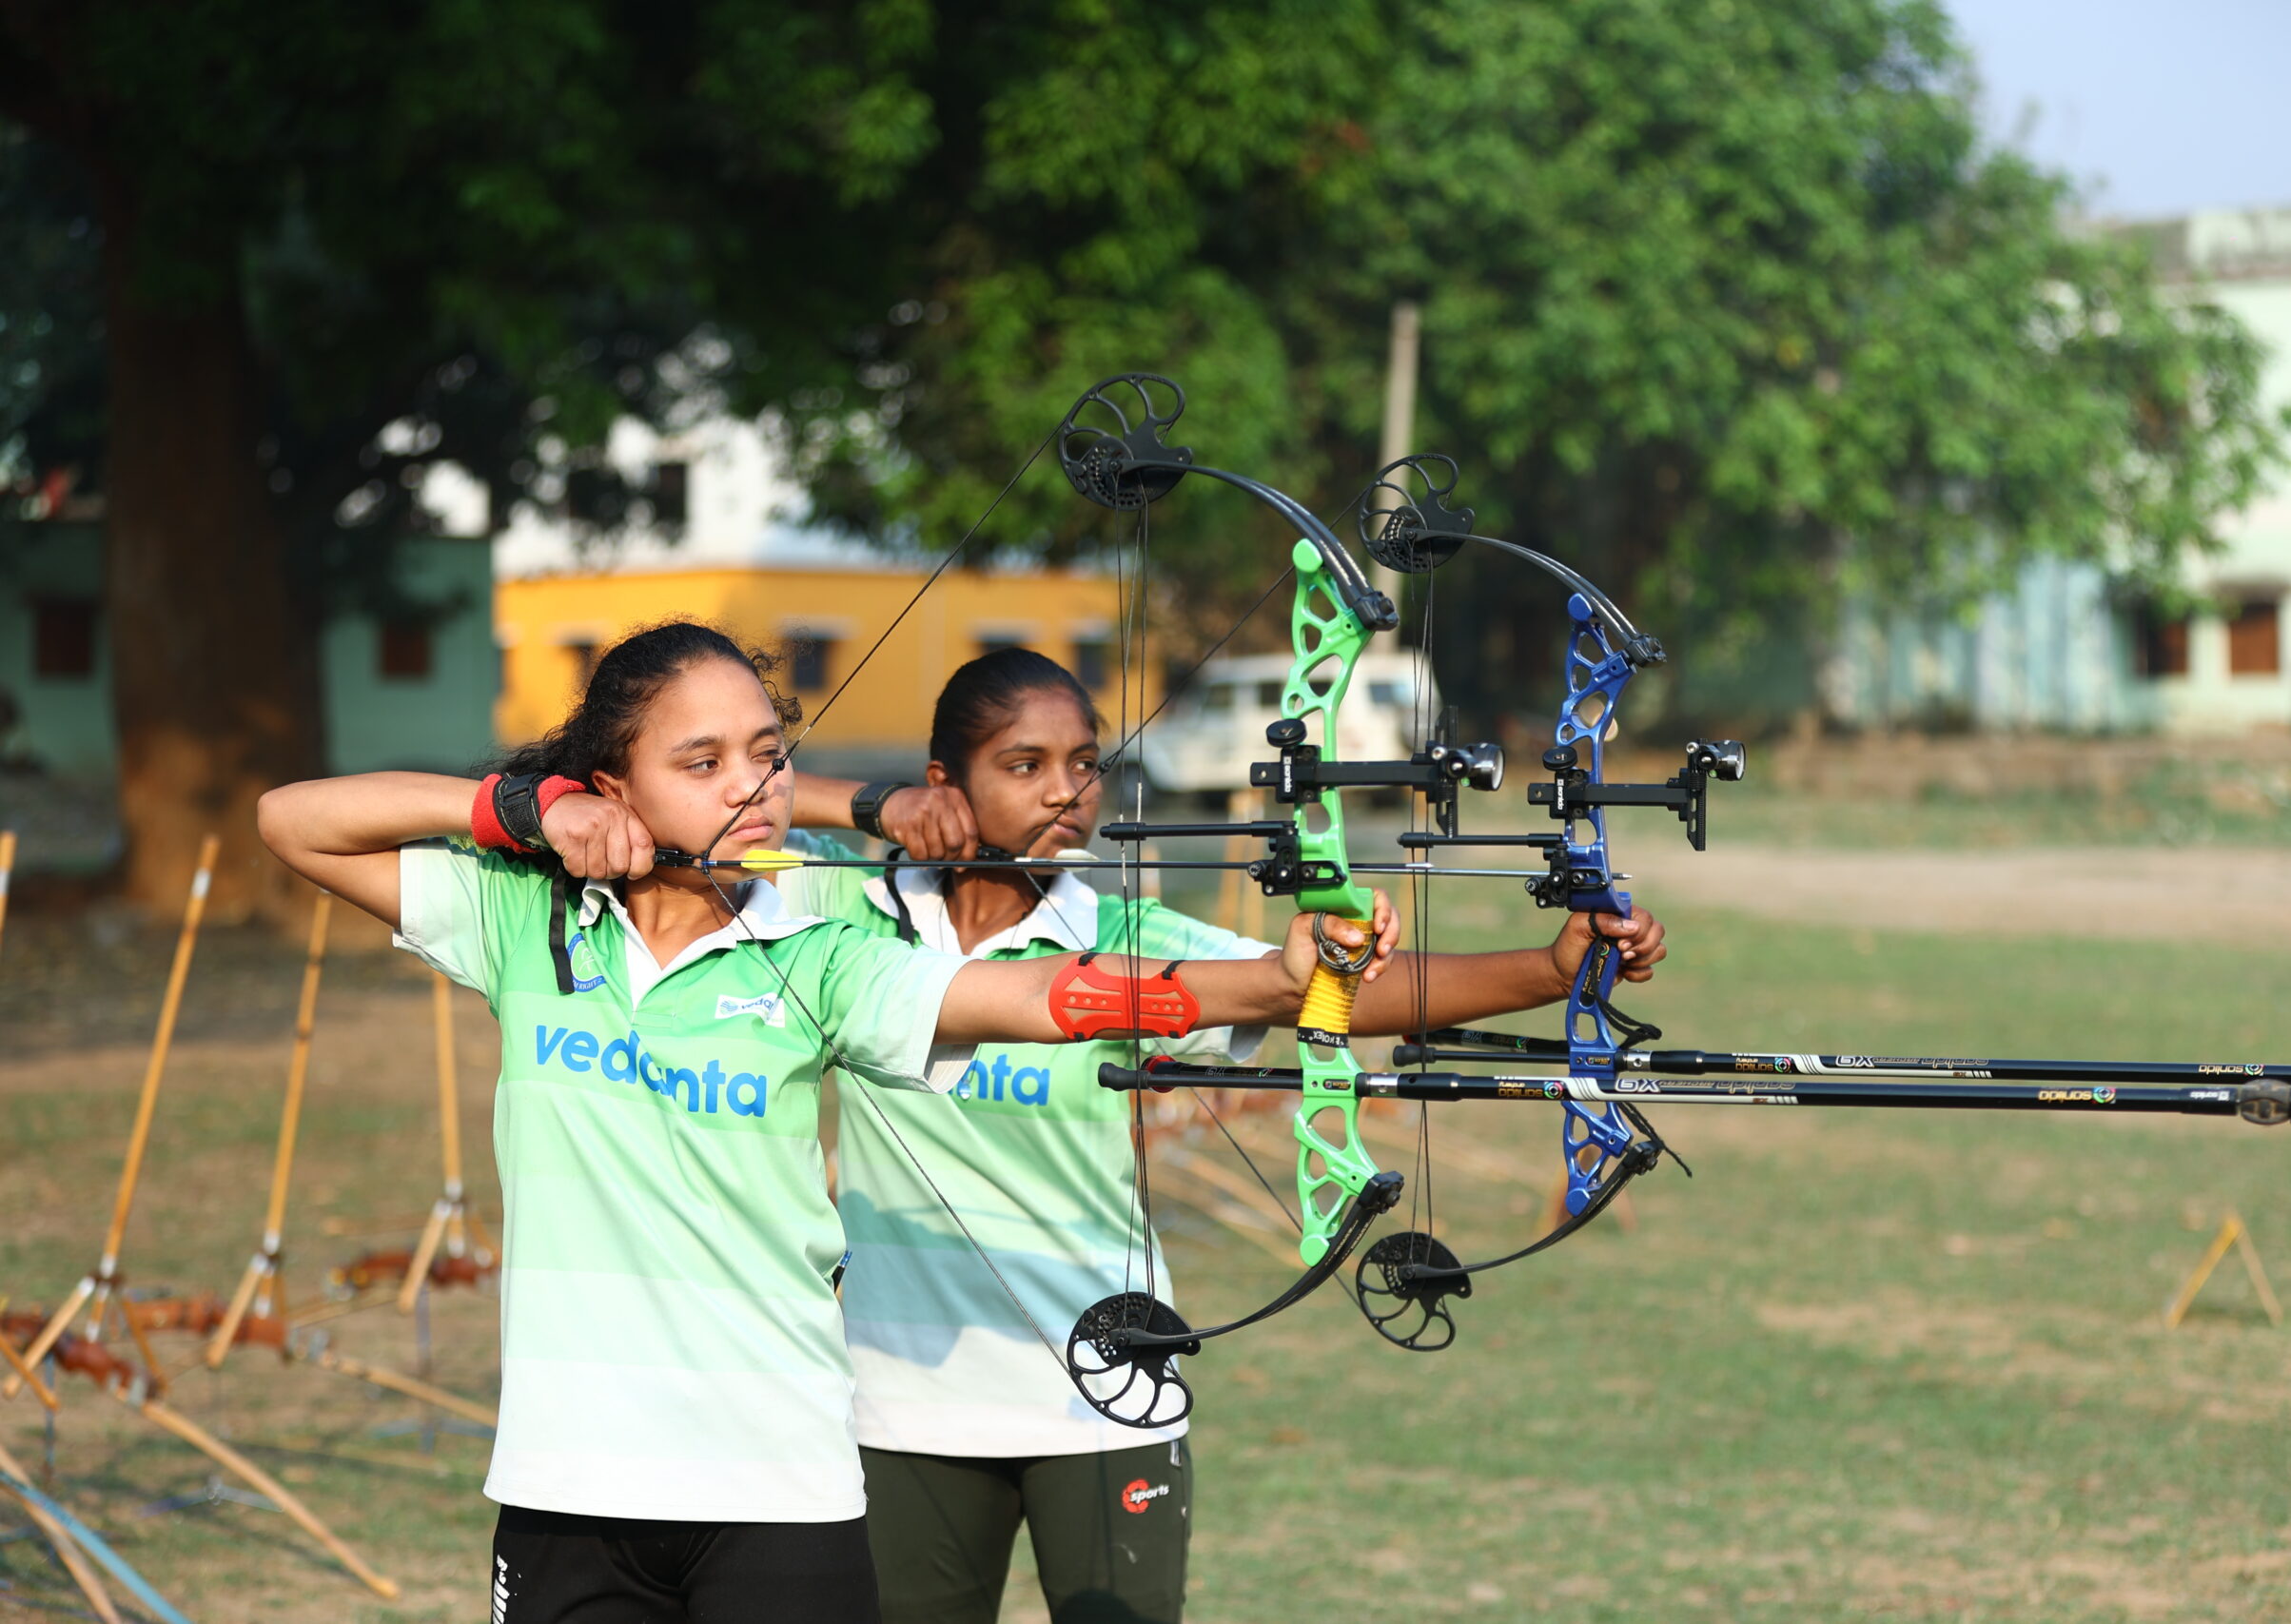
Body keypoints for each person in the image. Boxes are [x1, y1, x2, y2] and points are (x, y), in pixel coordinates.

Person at [254, 621, 1398, 1624]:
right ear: (608, 787)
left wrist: (1277, 983)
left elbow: (1043, 996)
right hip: (569, 1483)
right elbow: (293, 822)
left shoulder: (820, 952)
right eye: (700, 763)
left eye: (766, 756)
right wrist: (520, 807)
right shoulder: (523, 924)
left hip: (779, 1491)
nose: (750, 787)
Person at [780, 648, 1668, 1624]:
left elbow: (1333, 997)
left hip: (1102, 1377)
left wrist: (1551, 967)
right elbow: (700, 814)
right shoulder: (836, 912)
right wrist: (875, 807)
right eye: (1023, 765)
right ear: (945, 783)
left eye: (1086, 764)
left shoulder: (1126, 936)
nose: (1066, 793)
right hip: (901, 1393)